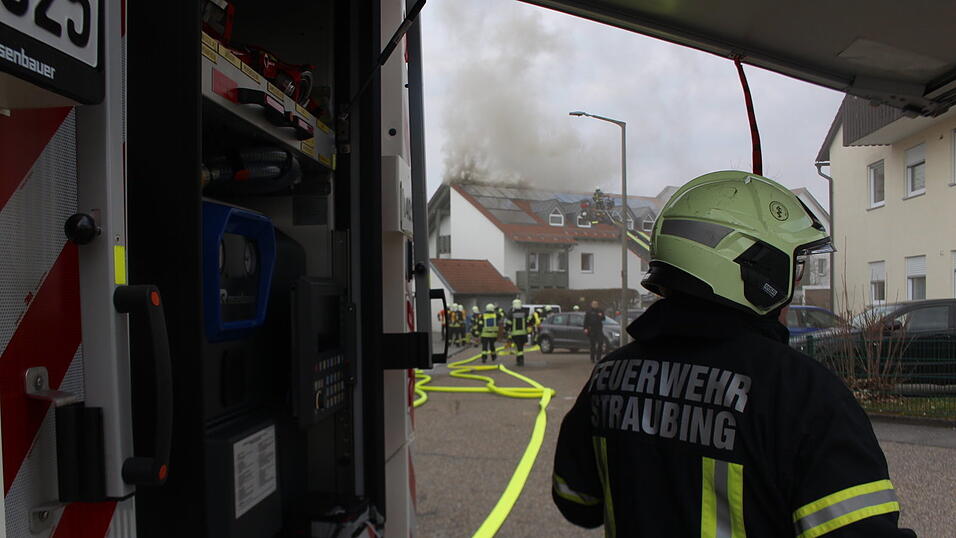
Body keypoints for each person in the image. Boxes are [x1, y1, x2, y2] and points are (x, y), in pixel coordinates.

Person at [552, 171, 915, 537]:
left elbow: (577, 501)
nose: (796, 284)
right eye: (795, 268)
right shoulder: (802, 393)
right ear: (758, 272)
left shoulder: (610, 375)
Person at [505, 299, 530, 367]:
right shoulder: (525, 313)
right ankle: (521, 360)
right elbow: (529, 322)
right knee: (521, 348)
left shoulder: (511, 314)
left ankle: (519, 361)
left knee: (518, 348)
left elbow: (508, 324)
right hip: (523, 334)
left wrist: (506, 330)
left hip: (515, 334)